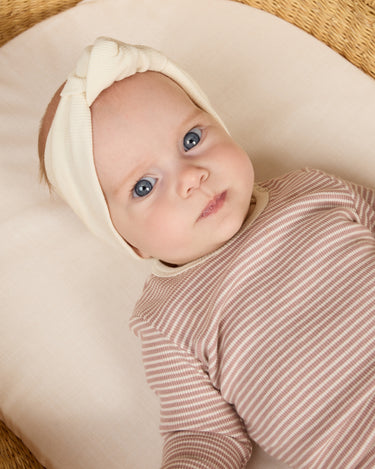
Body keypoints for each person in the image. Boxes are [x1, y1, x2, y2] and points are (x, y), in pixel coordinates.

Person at [38, 37, 375, 469]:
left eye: (191, 139)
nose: (192, 177)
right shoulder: (166, 319)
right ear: (127, 240)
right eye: (145, 185)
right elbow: (204, 436)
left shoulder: (310, 190)